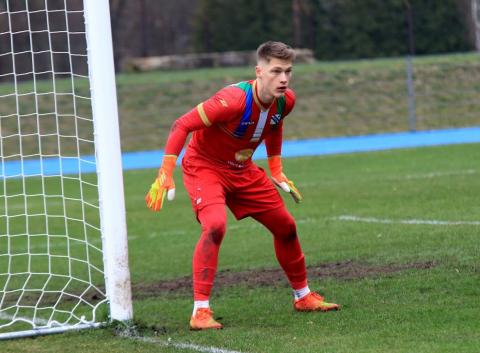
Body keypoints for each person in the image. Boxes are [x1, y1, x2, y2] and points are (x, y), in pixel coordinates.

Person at [145, 41, 340, 330]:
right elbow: (181, 125)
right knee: (214, 226)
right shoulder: (232, 100)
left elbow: (275, 124)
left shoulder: (286, 101)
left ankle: (303, 297)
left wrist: (276, 168)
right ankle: (200, 311)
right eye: (276, 71)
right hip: (205, 167)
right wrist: (165, 171)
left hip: (243, 170)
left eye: (288, 71)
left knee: (286, 227)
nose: (284, 78)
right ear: (259, 71)